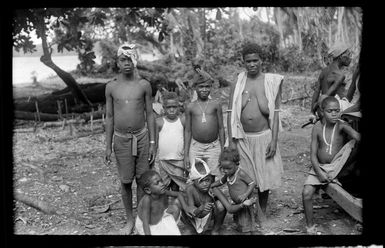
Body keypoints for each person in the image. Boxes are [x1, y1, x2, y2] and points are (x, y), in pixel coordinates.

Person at [227, 42, 284, 216]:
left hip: (264, 136)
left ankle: (262, 213)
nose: (252, 64)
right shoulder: (238, 82)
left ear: (261, 61)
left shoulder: (272, 82)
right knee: (245, 176)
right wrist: (231, 141)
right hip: (243, 138)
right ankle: (248, 214)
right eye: (248, 61)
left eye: (255, 60)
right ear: (243, 62)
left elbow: (275, 114)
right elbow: (230, 112)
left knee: (264, 177)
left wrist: (273, 141)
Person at [104, 43, 156, 234]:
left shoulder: (144, 85)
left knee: (143, 180)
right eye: (122, 59)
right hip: (121, 139)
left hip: (141, 138)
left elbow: (150, 114)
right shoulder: (111, 87)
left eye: (130, 59)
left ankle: (142, 219)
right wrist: (108, 145)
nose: (126, 63)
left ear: (135, 60)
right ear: (117, 62)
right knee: (126, 181)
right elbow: (109, 117)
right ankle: (129, 220)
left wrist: (152, 143)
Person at [302, 96, 361, 234]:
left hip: (337, 166)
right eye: (330, 111)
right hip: (320, 167)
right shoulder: (317, 128)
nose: (334, 114)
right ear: (322, 112)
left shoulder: (341, 125)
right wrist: (319, 173)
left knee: (353, 145)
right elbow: (312, 155)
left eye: (337, 110)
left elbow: (357, 137)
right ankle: (310, 226)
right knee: (306, 193)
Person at [211, 147, 263, 233]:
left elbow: (252, 183)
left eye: (228, 168)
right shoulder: (228, 174)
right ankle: (244, 228)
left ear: (236, 164)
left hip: (246, 201)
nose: (225, 171)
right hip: (238, 203)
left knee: (247, 221)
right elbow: (221, 181)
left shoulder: (240, 173)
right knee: (241, 220)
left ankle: (251, 231)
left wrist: (245, 194)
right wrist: (212, 185)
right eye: (223, 168)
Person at [184, 69, 225, 178]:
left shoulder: (215, 104)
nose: (204, 90)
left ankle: (211, 195)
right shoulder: (190, 106)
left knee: (212, 175)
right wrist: (186, 154)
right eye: (201, 87)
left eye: (207, 87)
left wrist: (223, 149)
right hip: (196, 146)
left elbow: (221, 128)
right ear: (195, 88)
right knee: (196, 175)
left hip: (213, 146)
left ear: (210, 88)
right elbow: (187, 131)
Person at [135, 170, 194, 235]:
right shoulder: (147, 200)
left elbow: (179, 194)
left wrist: (186, 208)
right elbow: (145, 223)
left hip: (157, 217)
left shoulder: (163, 192)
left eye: (161, 181)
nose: (162, 184)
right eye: (157, 183)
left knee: (175, 208)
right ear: (148, 190)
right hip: (147, 225)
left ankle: (168, 229)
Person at [181, 158, 226, 234]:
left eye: (207, 180)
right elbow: (192, 210)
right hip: (197, 213)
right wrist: (201, 208)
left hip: (209, 213)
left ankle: (215, 229)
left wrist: (241, 205)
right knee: (180, 203)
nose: (205, 184)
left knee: (221, 205)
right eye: (201, 181)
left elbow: (228, 206)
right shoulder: (190, 189)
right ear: (193, 181)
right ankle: (192, 228)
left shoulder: (212, 189)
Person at [310, 42, 353, 121]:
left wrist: (312, 112)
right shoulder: (339, 75)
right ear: (341, 56)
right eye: (348, 54)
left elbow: (316, 91)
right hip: (334, 108)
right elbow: (325, 96)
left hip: (322, 107)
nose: (350, 58)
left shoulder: (324, 71)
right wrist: (316, 106)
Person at [155, 91, 187, 192]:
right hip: (163, 160)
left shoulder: (182, 121)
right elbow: (155, 142)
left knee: (176, 185)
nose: (172, 109)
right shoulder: (159, 122)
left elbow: (186, 139)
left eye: (174, 107)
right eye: (169, 107)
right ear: (164, 108)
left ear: (178, 107)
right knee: (164, 185)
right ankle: (165, 205)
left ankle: (175, 205)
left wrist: (186, 155)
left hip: (178, 160)